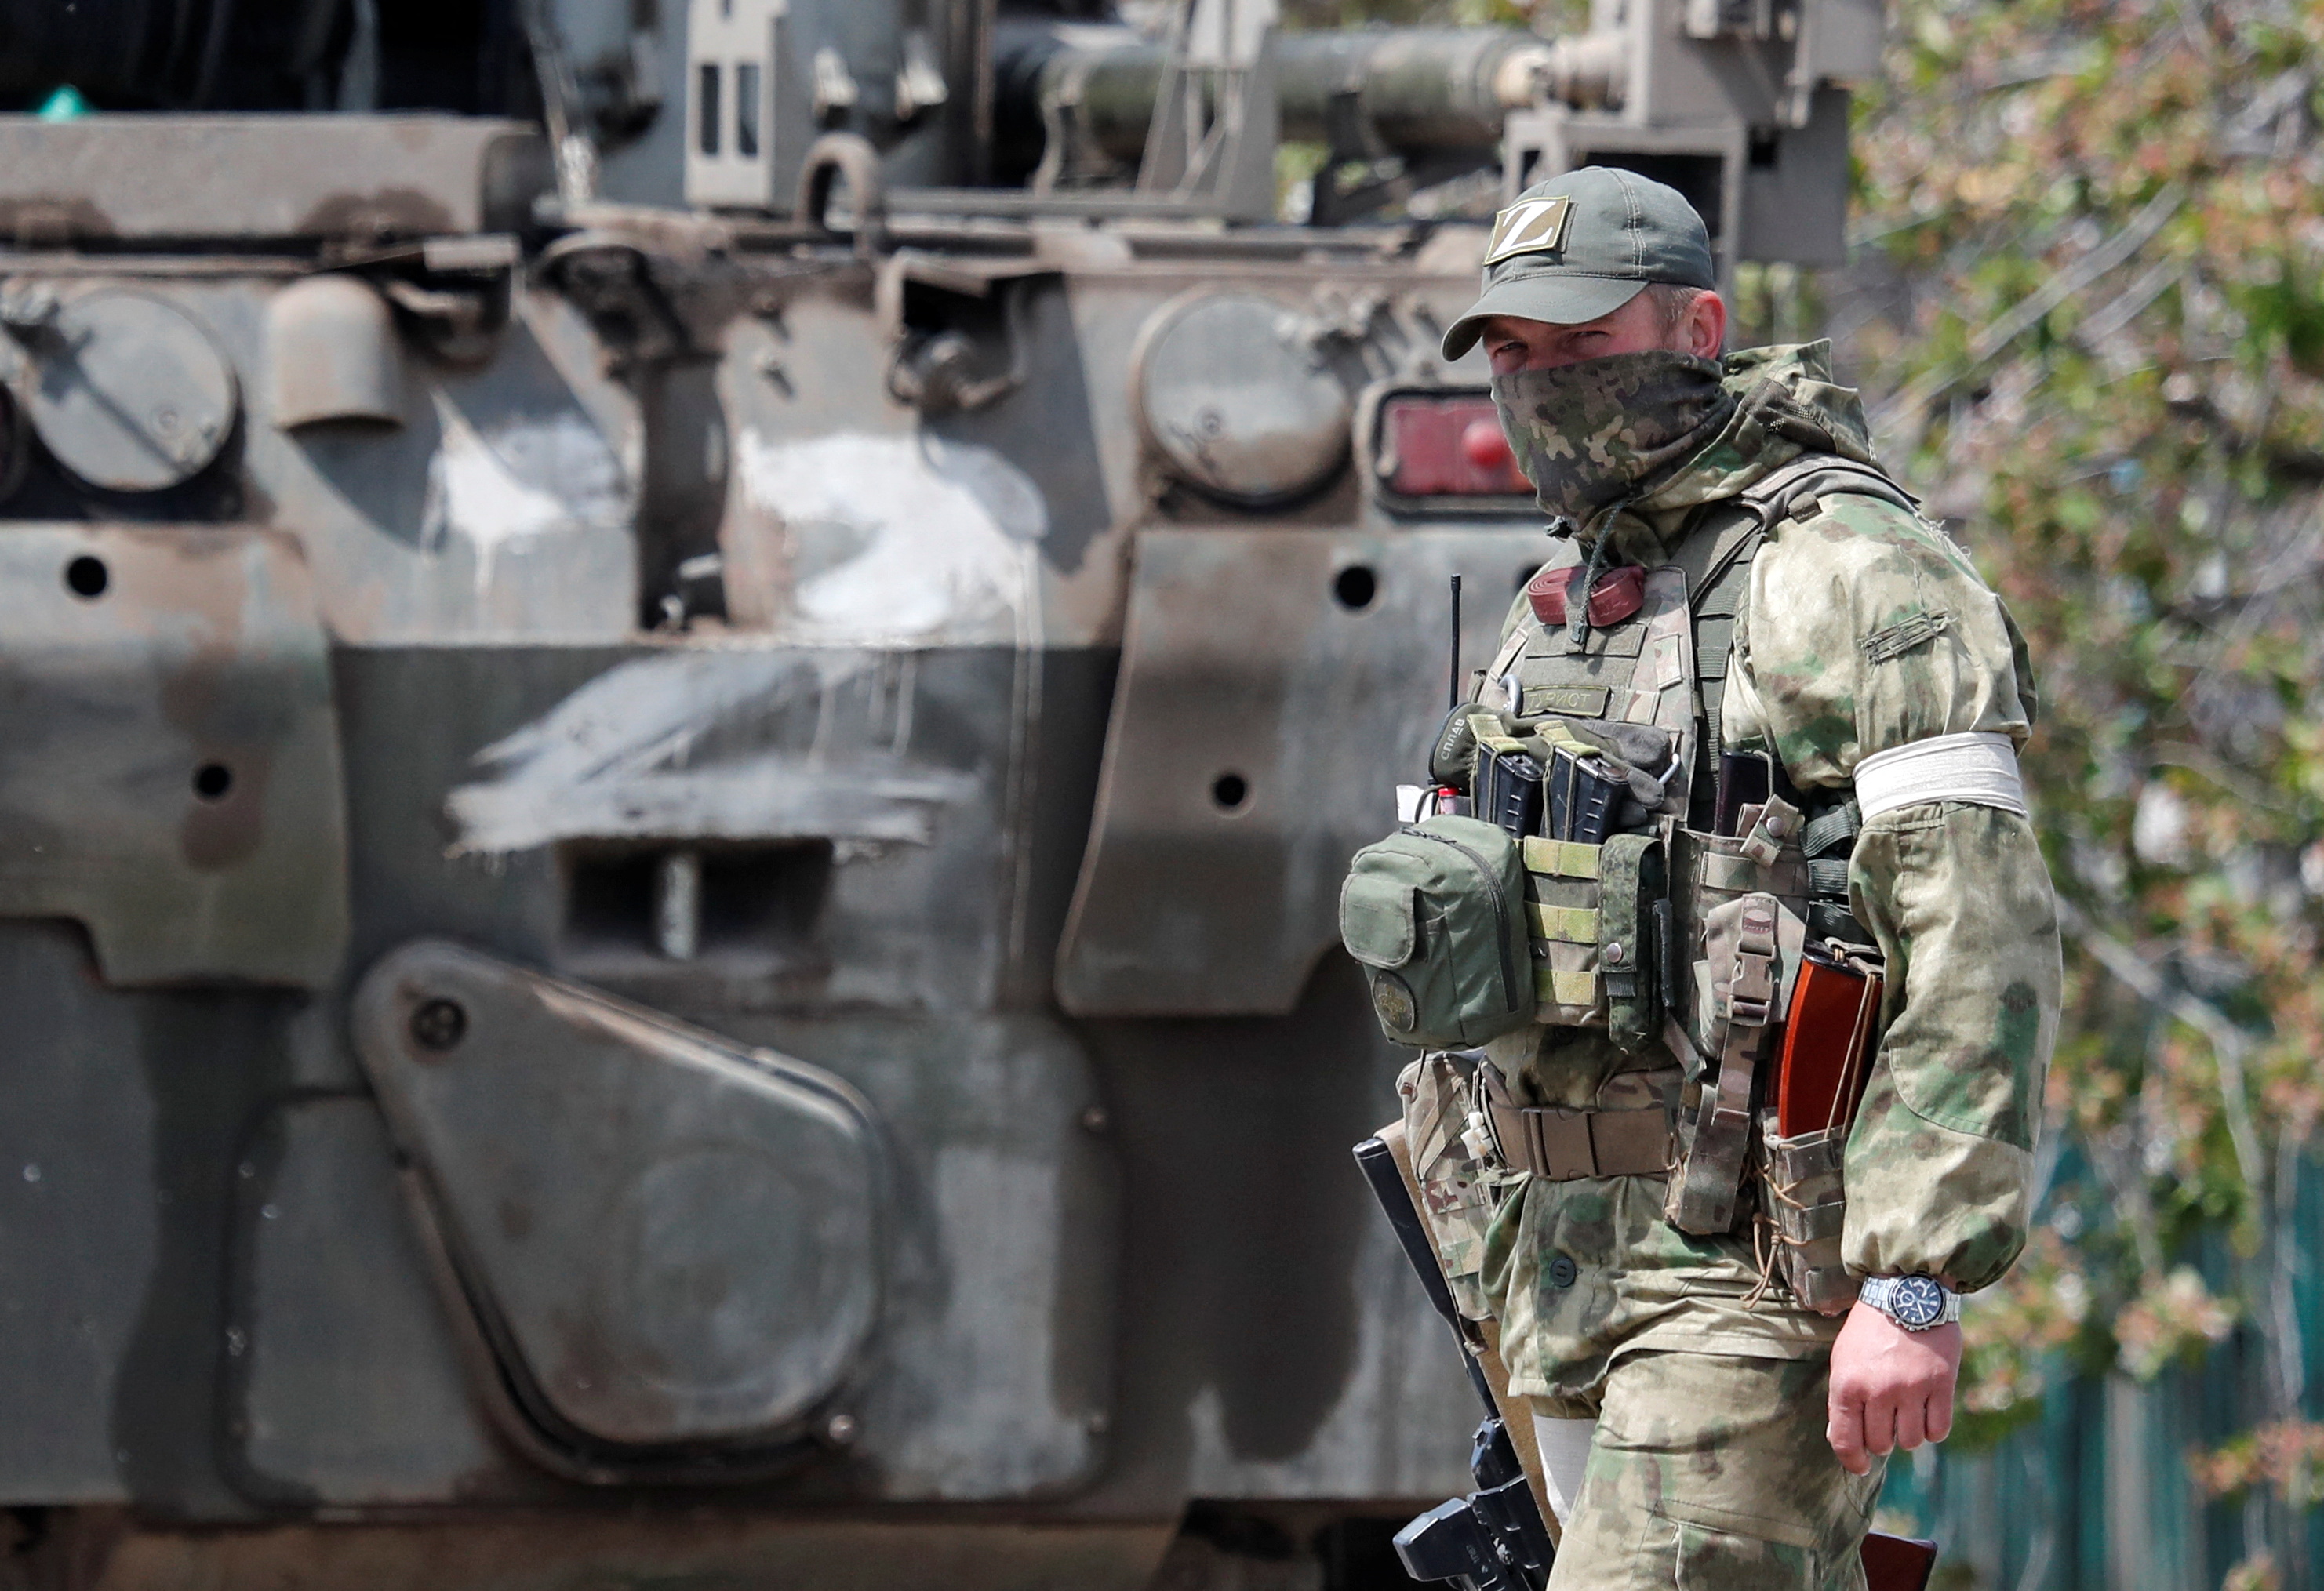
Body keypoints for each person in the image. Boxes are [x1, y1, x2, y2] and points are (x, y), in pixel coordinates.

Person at [1425, 166, 2062, 1587]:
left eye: (1584, 344)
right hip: (1553, 1275)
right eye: (1515, 353)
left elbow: (1980, 940)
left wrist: (1915, 1275)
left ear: (1701, 328)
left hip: (1746, 1280)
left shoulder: (1856, 576)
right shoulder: (1569, 612)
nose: (1543, 385)